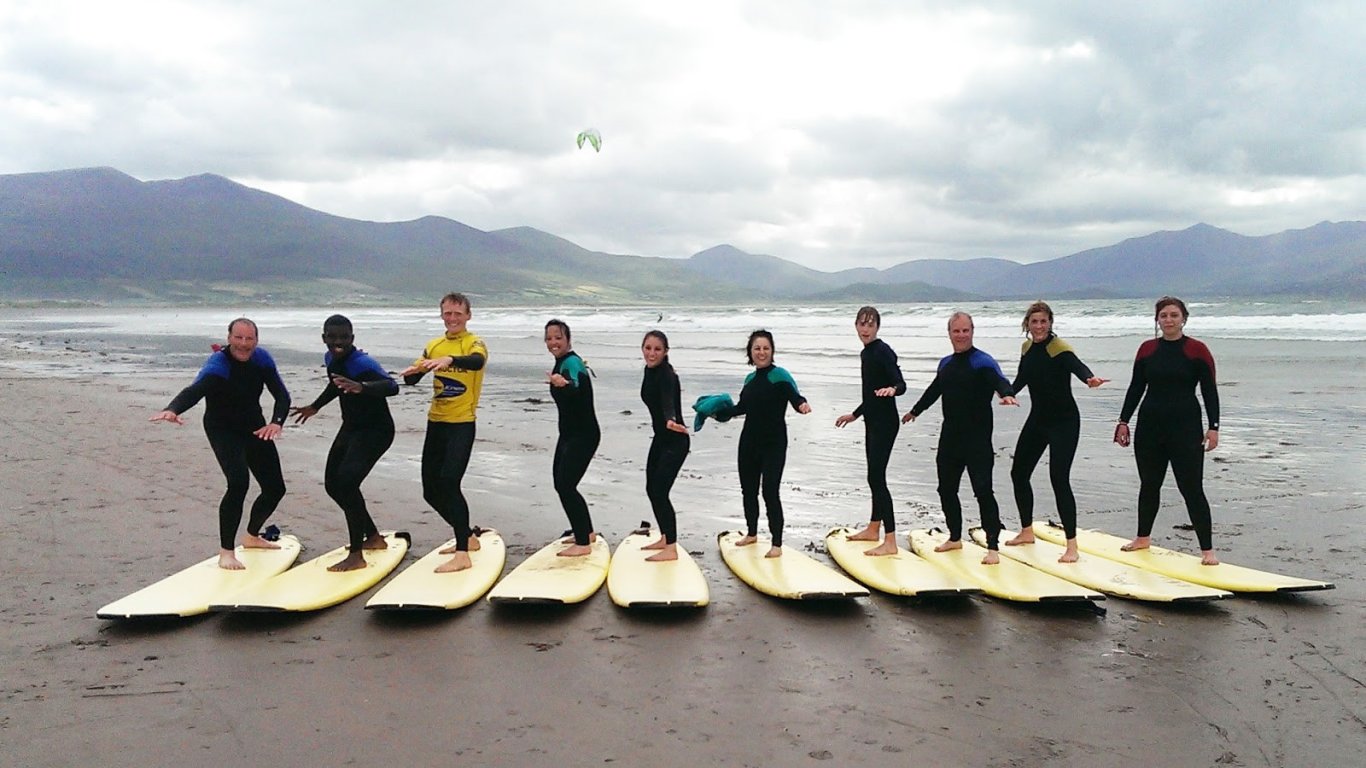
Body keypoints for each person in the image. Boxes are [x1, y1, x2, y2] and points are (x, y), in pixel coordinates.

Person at [149, 317, 289, 570]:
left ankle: (251, 536)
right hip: (222, 428)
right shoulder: (219, 364)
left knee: (275, 488)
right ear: (228, 338)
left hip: (254, 427)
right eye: (238, 338)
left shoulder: (262, 359)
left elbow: (281, 394)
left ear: (256, 340)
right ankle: (227, 552)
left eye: (249, 339)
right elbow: (195, 390)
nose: (244, 344)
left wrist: (276, 422)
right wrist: (173, 409)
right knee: (238, 483)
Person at [903, 312, 1018, 565]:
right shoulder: (945, 364)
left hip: (977, 441)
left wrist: (1007, 393)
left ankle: (993, 547)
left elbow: (998, 380)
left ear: (972, 331)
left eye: (966, 330)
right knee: (946, 489)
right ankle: (955, 537)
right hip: (950, 439)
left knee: (983, 491)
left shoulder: (982, 361)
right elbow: (935, 389)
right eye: (957, 331)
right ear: (949, 333)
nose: (961, 335)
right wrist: (915, 411)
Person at [1113, 296, 1221, 565]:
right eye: (1164, 316)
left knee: (1191, 488)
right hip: (1149, 427)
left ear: (1183, 318)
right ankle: (1142, 538)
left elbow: (1209, 391)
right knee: (1149, 484)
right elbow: (1136, 387)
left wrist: (1213, 427)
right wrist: (1123, 420)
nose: (1169, 320)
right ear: (1157, 320)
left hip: (1185, 428)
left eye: (1174, 315)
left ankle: (1207, 551)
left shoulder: (1197, 350)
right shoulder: (1147, 350)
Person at [289, 315, 399, 571]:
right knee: (332, 484)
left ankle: (357, 555)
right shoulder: (331, 358)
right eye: (333, 337)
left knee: (348, 483)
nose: (338, 342)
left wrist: (361, 387)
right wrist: (314, 407)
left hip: (376, 431)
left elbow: (392, 386)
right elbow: (336, 385)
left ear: (352, 338)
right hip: (351, 428)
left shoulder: (362, 362)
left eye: (344, 337)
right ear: (324, 338)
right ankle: (373, 537)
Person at [1003, 302, 1108, 563]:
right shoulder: (1027, 348)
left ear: (1050, 323)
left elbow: (1079, 367)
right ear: (1027, 324)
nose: (1039, 326)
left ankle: (1072, 545)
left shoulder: (1059, 348)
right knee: (1018, 473)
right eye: (1034, 322)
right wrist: (1007, 393)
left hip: (1065, 422)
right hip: (1038, 420)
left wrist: (1090, 379)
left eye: (1043, 322)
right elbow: (1022, 378)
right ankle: (1027, 531)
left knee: (1058, 479)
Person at [400, 293, 489, 573]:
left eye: (457, 314)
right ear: (441, 315)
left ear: (468, 316)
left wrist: (449, 359)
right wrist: (413, 372)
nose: (452, 318)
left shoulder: (474, 343)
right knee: (430, 491)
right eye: (447, 313)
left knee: (450, 482)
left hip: (462, 423)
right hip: (436, 423)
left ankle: (462, 551)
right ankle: (469, 537)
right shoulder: (433, 345)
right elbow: (414, 378)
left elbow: (476, 362)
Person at [718, 330, 811, 558]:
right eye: (757, 348)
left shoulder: (780, 376)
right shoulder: (750, 380)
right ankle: (751, 534)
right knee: (748, 491)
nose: (761, 352)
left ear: (772, 351)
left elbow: (795, 396)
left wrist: (802, 405)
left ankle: (777, 543)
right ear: (750, 352)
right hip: (749, 442)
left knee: (770, 491)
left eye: (765, 348)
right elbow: (742, 407)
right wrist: (720, 413)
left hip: (774, 443)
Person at [835, 306, 907, 556]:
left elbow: (901, 383)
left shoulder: (882, 351)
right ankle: (873, 528)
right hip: (873, 421)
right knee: (873, 477)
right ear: (856, 326)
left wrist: (893, 390)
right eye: (862, 324)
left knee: (877, 478)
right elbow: (870, 394)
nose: (865, 329)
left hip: (886, 423)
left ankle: (890, 541)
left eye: (870, 324)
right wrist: (855, 414)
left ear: (877, 327)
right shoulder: (866, 353)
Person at [544, 319, 601, 557]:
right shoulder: (561, 363)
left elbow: (576, 389)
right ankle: (585, 533)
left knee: (566, 486)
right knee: (561, 484)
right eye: (549, 338)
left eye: (558, 337)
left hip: (584, 435)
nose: (553, 342)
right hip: (568, 434)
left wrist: (563, 385)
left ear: (568, 339)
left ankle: (583, 543)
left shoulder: (573, 363)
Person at [639, 330, 690, 562]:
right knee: (652, 489)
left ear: (666, 351)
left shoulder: (667, 375)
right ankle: (665, 536)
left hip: (676, 440)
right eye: (648, 348)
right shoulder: (649, 371)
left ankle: (671, 548)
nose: (652, 353)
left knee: (660, 491)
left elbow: (668, 399)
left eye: (657, 349)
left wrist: (670, 419)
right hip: (661, 439)